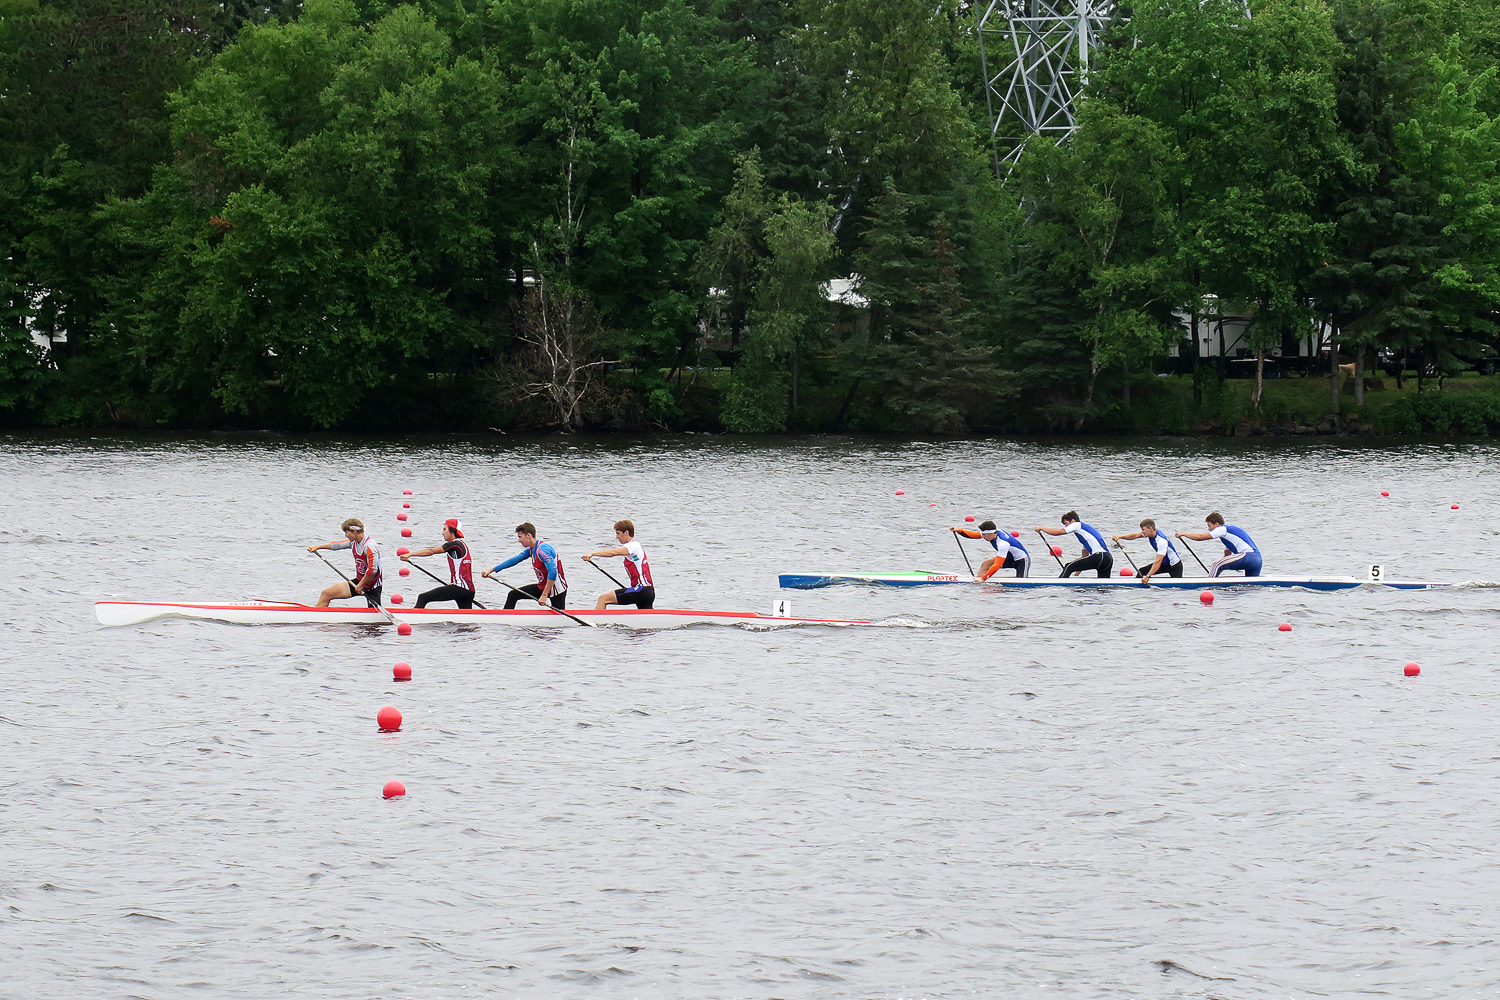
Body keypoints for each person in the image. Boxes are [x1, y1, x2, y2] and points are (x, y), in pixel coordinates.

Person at [483, 522, 568, 609]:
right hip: (543, 586)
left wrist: (544, 595)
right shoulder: (531, 549)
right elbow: (515, 560)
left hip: (556, 588)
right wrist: (491, 570)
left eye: (520, 537)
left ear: (528, 535)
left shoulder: (542, 549)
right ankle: (505, 615)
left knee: (559, 615)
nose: (519, 540)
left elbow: (553, 572)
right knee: (513, 594)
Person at [402, 518, 476, 609]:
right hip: (469, 591)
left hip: (459, 588)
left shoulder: (454, 544)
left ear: (452, 531)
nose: (442, 533)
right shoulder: (461, 544)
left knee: (423, 597)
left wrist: (410, 554)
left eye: (445, 529)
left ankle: (413, 617)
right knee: (466, 616)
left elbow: (431, 551)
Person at [581, 519, 656, 609]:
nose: (617, 537)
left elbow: (613, 553)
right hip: (648, 591)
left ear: (626, 533)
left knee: (603, 598)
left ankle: (596, 618)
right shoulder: (636, 547)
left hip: (641, 590)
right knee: (645, 616)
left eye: (618, 533)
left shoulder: (633, 545)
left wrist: (592, 554)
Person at [307, 518, 382, 607]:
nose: (346, 535)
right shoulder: (354, 542)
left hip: (373, 586)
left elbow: (372, 570)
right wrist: (318, 547)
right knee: (326, 594)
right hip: (359, 582)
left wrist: (360, 585)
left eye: (346, 532)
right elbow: (337, 545)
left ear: (354, 531)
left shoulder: (369, 546)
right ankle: (316, 614)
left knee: (373, 613)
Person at [1177, 512, 1262, 577]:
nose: (1209, 529)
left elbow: (1201, 537)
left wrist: (1183, 534)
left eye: (1209, 526)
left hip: (1247, 556)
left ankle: (1208, 585)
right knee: (1250, 586)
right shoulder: (1229, 536)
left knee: (1216, 564)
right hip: (1257, 559)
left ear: (1217, 524)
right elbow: (1226, 556)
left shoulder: (1222, 529)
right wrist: (1217, 572)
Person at [1035, 510, 1113, 578]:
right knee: (1103, 586)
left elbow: (1057, 532)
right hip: (1108, 559)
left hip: (1099, 556)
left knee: (1068, 566)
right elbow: (1084, 556)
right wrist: (1077, 573)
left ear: (1072, 521)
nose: (1066, 526)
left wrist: (1042, 528)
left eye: (1066, 523)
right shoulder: (1085, 535)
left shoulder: (1077, 524)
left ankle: (1059, 586)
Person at [951, 520, 1030, 579]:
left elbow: (997, 565)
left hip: (1022, 560)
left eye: (984, 535)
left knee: (1021, 584)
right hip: (1008, 557)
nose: (982, 537)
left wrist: (984, 578)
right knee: (986, 564)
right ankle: (978, 583)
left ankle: (981, 580)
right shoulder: (992, 533)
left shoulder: (1003, 543)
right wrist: (959, 530)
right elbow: (973, 535)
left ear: (991, 534)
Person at [1112, 518, 1183, 583]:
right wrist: (1120, 537)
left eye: (1143, 530)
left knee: (1177, 587)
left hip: (1175, 565)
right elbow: (1135, 536)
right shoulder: (1150, 534)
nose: (1142, 532)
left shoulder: (1161, 541)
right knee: (1142, 571)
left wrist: (1148, 576)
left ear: (1150, 529)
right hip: (1164, 563)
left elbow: (1158, 561)